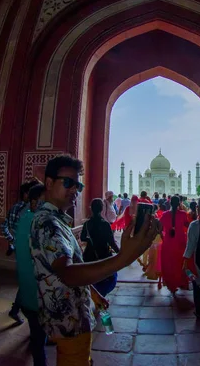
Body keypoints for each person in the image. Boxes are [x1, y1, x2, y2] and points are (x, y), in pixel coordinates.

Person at [29, 154, 160, 365]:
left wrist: (93, 294)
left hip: (73, 317)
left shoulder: (57, 221)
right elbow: (68, 273)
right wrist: (123, 258)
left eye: (77, 185)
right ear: (49, 183)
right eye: (68, 183)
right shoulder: (48, 223)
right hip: (68, 322)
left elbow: (69, 269)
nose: (74, 190)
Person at [14, 183, 47, 365]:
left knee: (37, 334)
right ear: (34, 202)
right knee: (37, 340)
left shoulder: (26, 217)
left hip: (29, 293)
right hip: (36, 296)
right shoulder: (36, 222)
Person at [1, 179, 40, 323]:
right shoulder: (24, 210)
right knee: (29, 281)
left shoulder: (26, 209)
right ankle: (17, 309)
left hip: (22, 248)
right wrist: (13, 241)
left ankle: (17, 309)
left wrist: (13, 242)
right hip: (27, 249)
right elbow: (4, 226)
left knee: (27, 280)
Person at [81, 199, 121, 297]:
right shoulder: (105, 224)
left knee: (91, 279)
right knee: (106, 279)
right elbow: (111, 241)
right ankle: (100, 300)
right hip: (104, 254)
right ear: (102, 209)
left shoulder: (87, 224)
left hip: (89, 254)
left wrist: (91, 239)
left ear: (91, 209)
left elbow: (82, 237)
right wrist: (120, 253)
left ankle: (95, 300)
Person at [160, 196, 190, 294]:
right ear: (179, 203)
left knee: (169, 264)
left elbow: (158, 227)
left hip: (168, 242)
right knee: (180, 263)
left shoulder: (165, 215)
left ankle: (171, 285)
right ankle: (181, 282)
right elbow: (188, 226)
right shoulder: (183, 214)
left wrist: (162, 236)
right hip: (180, 242)